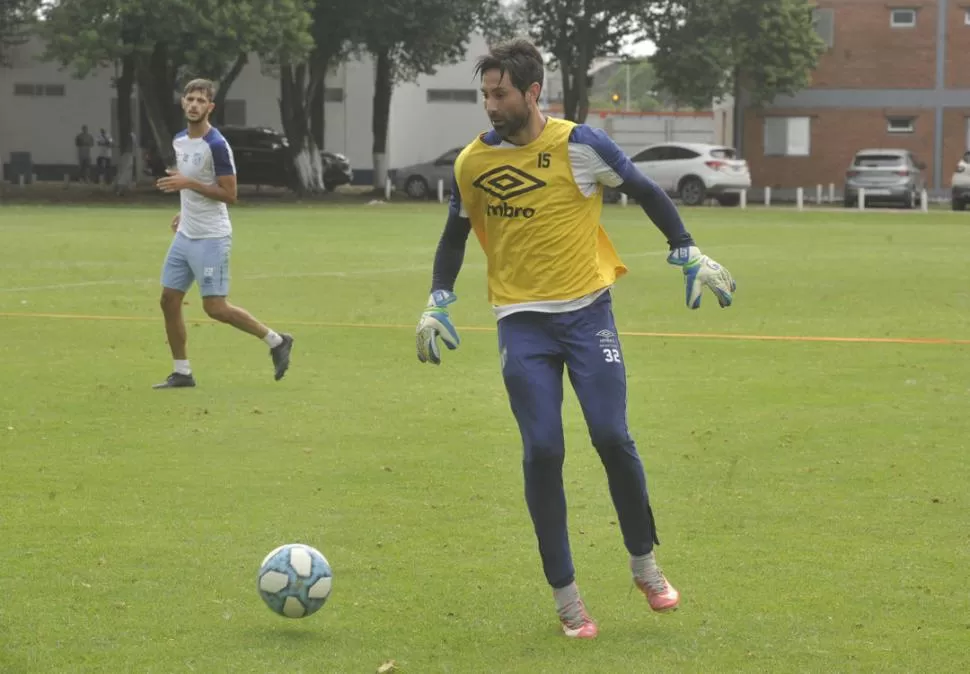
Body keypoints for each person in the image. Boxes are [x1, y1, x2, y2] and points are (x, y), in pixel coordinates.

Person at [414, 40, 736, 639]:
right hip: (521, 322)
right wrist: (438, 298)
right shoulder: (470, 164)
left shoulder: (579, 145)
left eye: (501, 94)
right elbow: (454, 237)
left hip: (589, 314)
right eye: (485, 94)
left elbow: (643, 188)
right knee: (543, 451)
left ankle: (645, 564)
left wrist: (685, 248)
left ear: (532, 92)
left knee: (612, 435)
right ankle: (567, 598)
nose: (491, 105)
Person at [153, 78, 293, 389]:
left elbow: (230, 194)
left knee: (214, 307)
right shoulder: (179, 141)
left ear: (210, 107)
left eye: (200, 101)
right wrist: (184, 209)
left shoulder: (216, 145)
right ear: (182, 103)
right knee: (168, 300)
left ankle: (276, 340)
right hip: (186, 235)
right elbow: (194, 184)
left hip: (211, 237)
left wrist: (188, 186)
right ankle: (182, 372)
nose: (193, 105)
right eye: (189, 99)